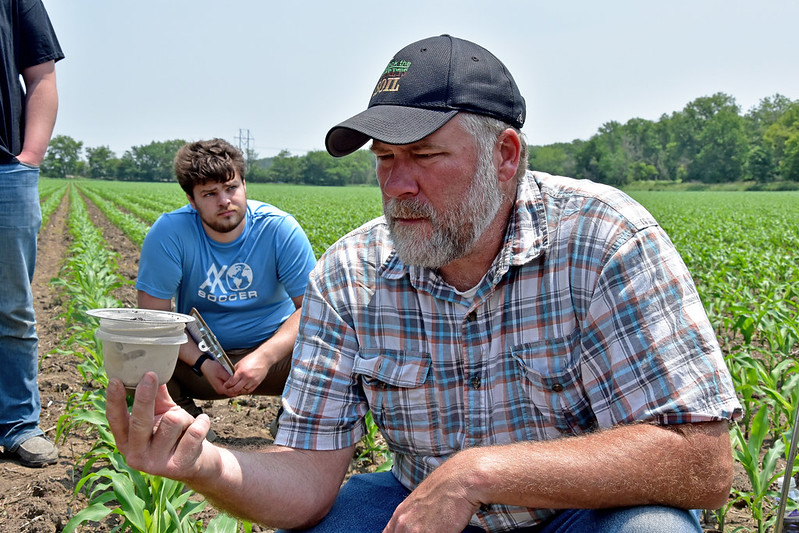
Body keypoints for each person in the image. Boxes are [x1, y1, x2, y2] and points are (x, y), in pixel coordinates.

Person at [107, 35, 742, 532]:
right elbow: (307, 473)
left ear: (506, 154)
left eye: (425, 156)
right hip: (419, 505)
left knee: (653, 527)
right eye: (384, 159)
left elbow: (703, 463)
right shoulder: (351, 273)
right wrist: (205, 464)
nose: (396, 185)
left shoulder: (604, 239)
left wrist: (478, 475)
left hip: (578, 515)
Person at [135, 138, 316, 438]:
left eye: (231, 188)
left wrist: (265, 357)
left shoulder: (278, 229)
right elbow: (155, 319)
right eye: (209, 193)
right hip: (201, 359)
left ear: (245, 185)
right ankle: (188, 428)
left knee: (340, 345)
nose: (224, 201)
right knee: (136, 356)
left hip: (276, 358)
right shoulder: (169, 233)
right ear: (191, 200)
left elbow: (312, 308)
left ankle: (294, 420)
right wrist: (203, 361)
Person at [0, 0, 64, 468]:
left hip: (5, 169)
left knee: (12, 307)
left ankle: (19, 423)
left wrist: (29, 159)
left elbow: (40, 75)